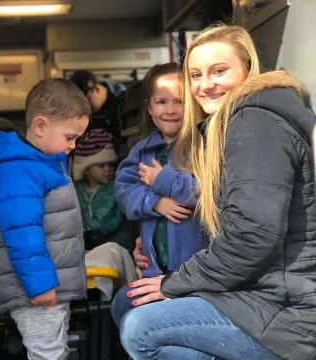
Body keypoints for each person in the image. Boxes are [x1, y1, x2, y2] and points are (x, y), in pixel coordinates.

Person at [118, 24, 316, 360]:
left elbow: (253, 235)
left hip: (287, 310)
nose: (205, 85)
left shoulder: (255, 123)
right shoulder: (228, 126)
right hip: (257, 294)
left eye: (219, 71)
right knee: (128, 302)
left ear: (248, 71)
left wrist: (176, 284)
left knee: (141, 328)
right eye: (195, 75)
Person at [0, 78, 90, 360]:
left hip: (44, 286)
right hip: (33, 290)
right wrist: (39, 285)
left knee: (53, 350)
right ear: (40, 126)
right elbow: (22, 233)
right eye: (70, 137)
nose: (74, 145)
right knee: (46, 353)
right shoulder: (18, 170)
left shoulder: (40, 163)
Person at [110, 63, 203, 326]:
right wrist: (156, 202)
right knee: (123, 306)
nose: (170, 110)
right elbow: (124, 190)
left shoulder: (201, 146)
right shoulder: (142, 151)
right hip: (153, 269)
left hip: (191, 272)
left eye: (179, 101)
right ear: (150, 108)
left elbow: (204, 190)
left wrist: (161, 180)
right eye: (161, 102)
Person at [72, 128, 131, 250]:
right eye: (101, 166)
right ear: (86, 169)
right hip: (88, 249)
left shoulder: (114, 189)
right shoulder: (76, 190)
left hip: (115, 248)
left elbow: (106, 221)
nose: (108, 169)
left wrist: (84, 232)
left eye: (110, 165)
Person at [70, 70, 125, 150]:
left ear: (97, 89)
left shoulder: (125, 101)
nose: (85, 107)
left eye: (87, 100)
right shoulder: (86, 114)